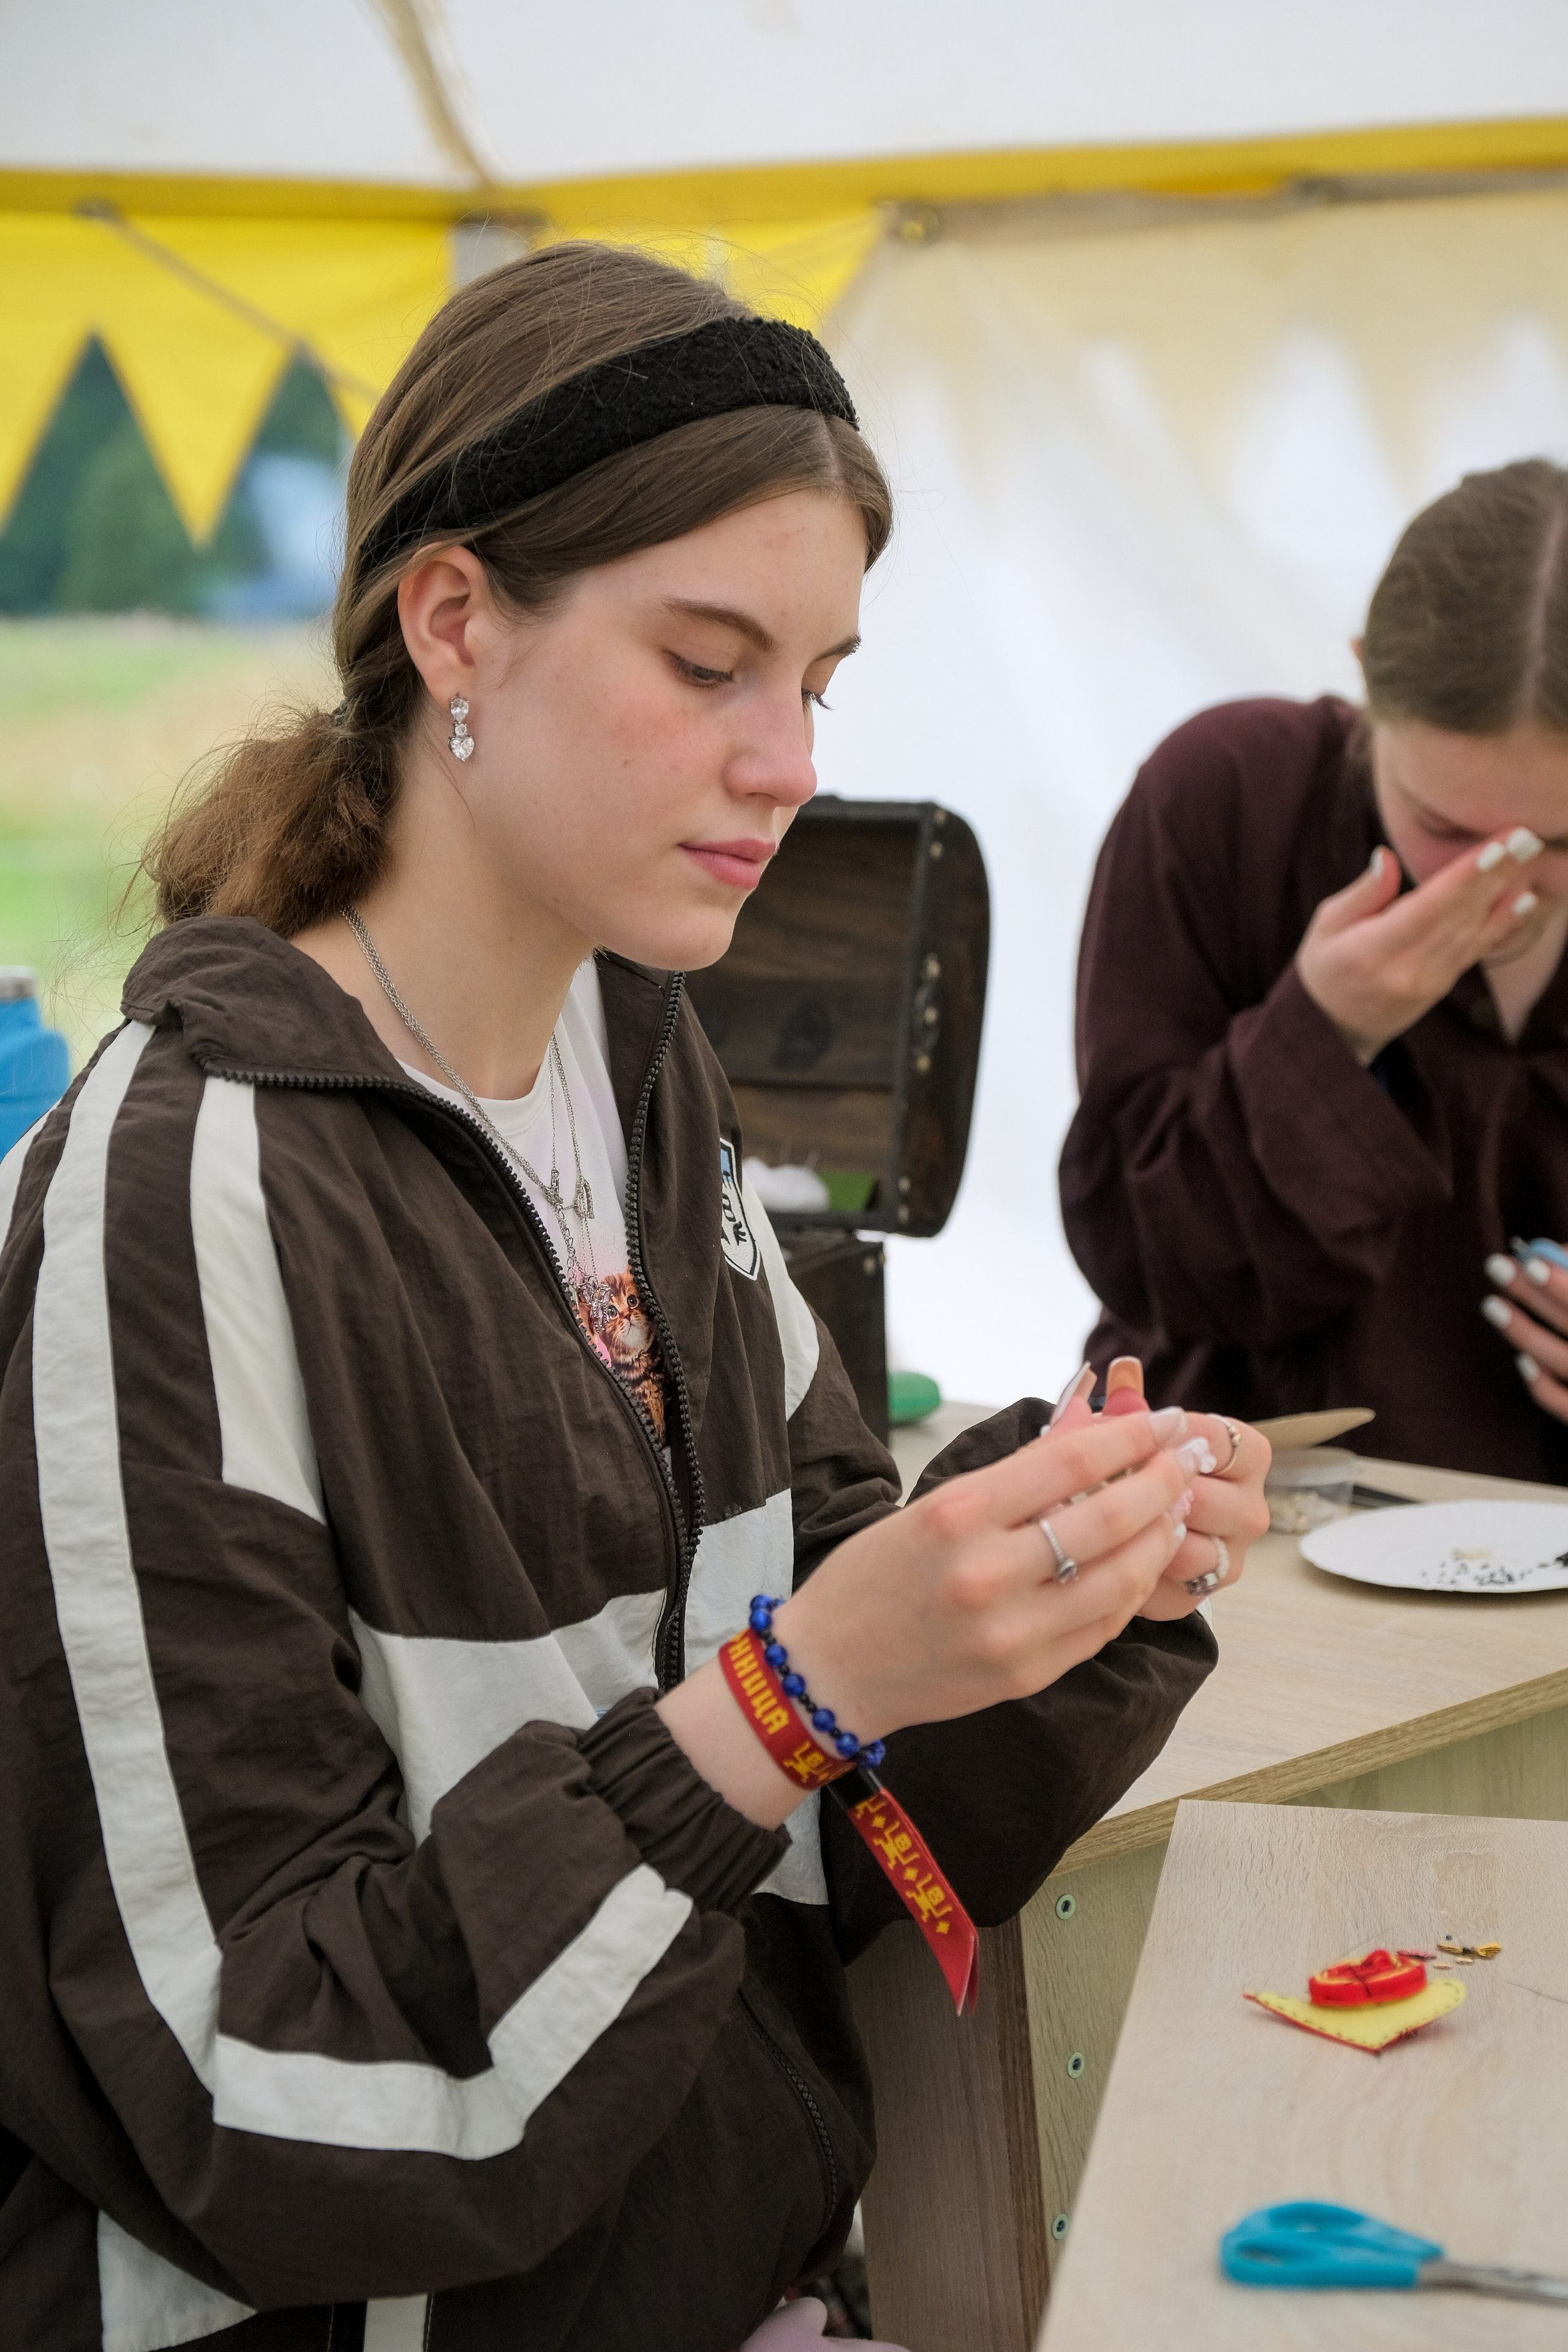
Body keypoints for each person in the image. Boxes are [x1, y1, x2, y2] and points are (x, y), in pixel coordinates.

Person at [0, 245, 1269, 2352]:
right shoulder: (181, 1190)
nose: (786, 759)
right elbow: (251, 2075)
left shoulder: (640, 1060)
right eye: (707, 663)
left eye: (823, 679)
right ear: (453, 621)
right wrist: (779, 1711)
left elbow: (815, 1751)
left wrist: (1052, 1572)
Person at [1061, 459, 1568, 1481]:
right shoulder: (1234, 798)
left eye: (1558, 845)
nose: (1505, 891)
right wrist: (1326, 1032)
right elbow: (1137, 1250)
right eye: (1447, 828)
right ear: (1366, 686)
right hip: (1228, 1528)